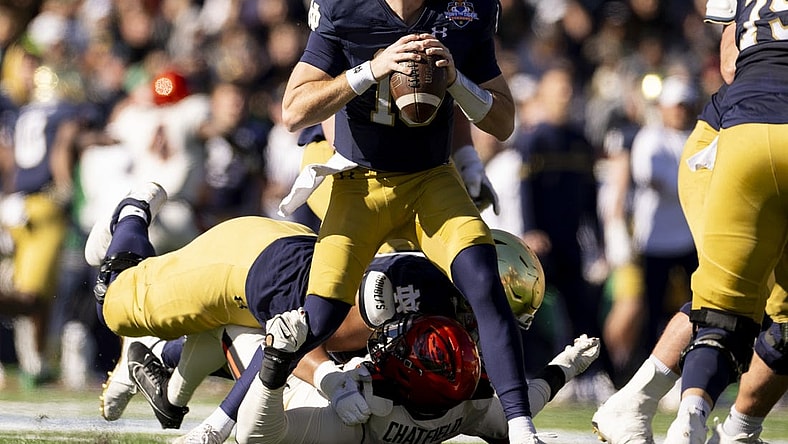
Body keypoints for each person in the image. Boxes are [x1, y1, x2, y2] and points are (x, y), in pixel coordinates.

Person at [85, 182, 542, 434]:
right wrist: (219, 423)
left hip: (291, 287)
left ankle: (161, 379)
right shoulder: (403, 291)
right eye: (484, 319)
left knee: (248, 345)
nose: (483, 336)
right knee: (115, 299)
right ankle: (132, 211)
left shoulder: (434, 306)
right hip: (244, 269)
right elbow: (292, 345)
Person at [278, 0, 537, 440]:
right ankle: (230, 413)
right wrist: (371, 70)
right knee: (319, 315)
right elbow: (294, 111)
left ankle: (520, 425)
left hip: (430, 178)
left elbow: (503, 120)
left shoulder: (466, 10)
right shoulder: (345, 8)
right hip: (360, 182)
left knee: (482, 280)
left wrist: (456, 83)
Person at [665, 0, 788, 440]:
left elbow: (731, 62)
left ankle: (692, 416)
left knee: (722, 314)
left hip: (742, 134)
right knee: (783, 320)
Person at [180, 314, 599, 444]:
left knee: (238, 323)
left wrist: (273, 365)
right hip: (345, 390)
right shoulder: (465, 405)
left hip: (290, 394)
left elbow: (256, 437)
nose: (391, 345)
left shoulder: (359, 416)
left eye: (401, 351)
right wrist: (564, 366)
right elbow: (521, 408)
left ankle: (166, 365)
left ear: (407, 373)